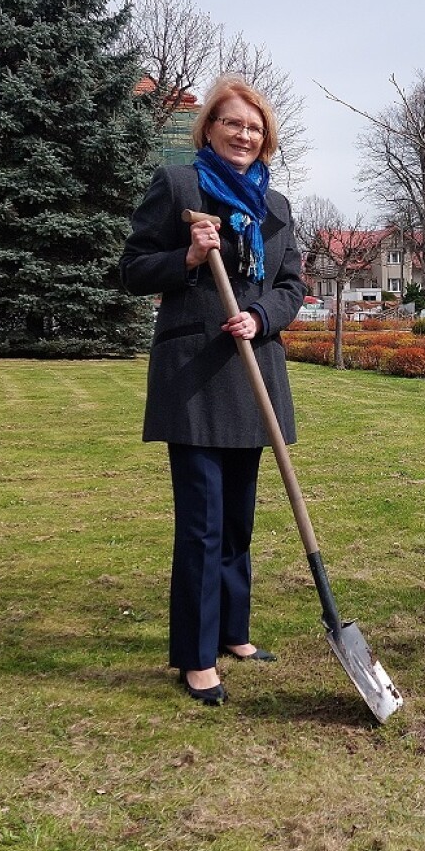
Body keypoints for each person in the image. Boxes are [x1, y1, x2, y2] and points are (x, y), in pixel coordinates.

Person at [119, 77, 306, 705]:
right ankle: (196, 657)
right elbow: (134, 267)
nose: (243, 135)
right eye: (232, 123)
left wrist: (263, 318)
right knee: (201, 522)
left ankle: (233, 631)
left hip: (254, 376)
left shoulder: (275, 204)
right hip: (195, 378)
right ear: (210, 129)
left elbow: (291, 284)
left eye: (253, 128)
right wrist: (191, 261)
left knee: (238, 522)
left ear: (265, 138)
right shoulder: (180, 188)